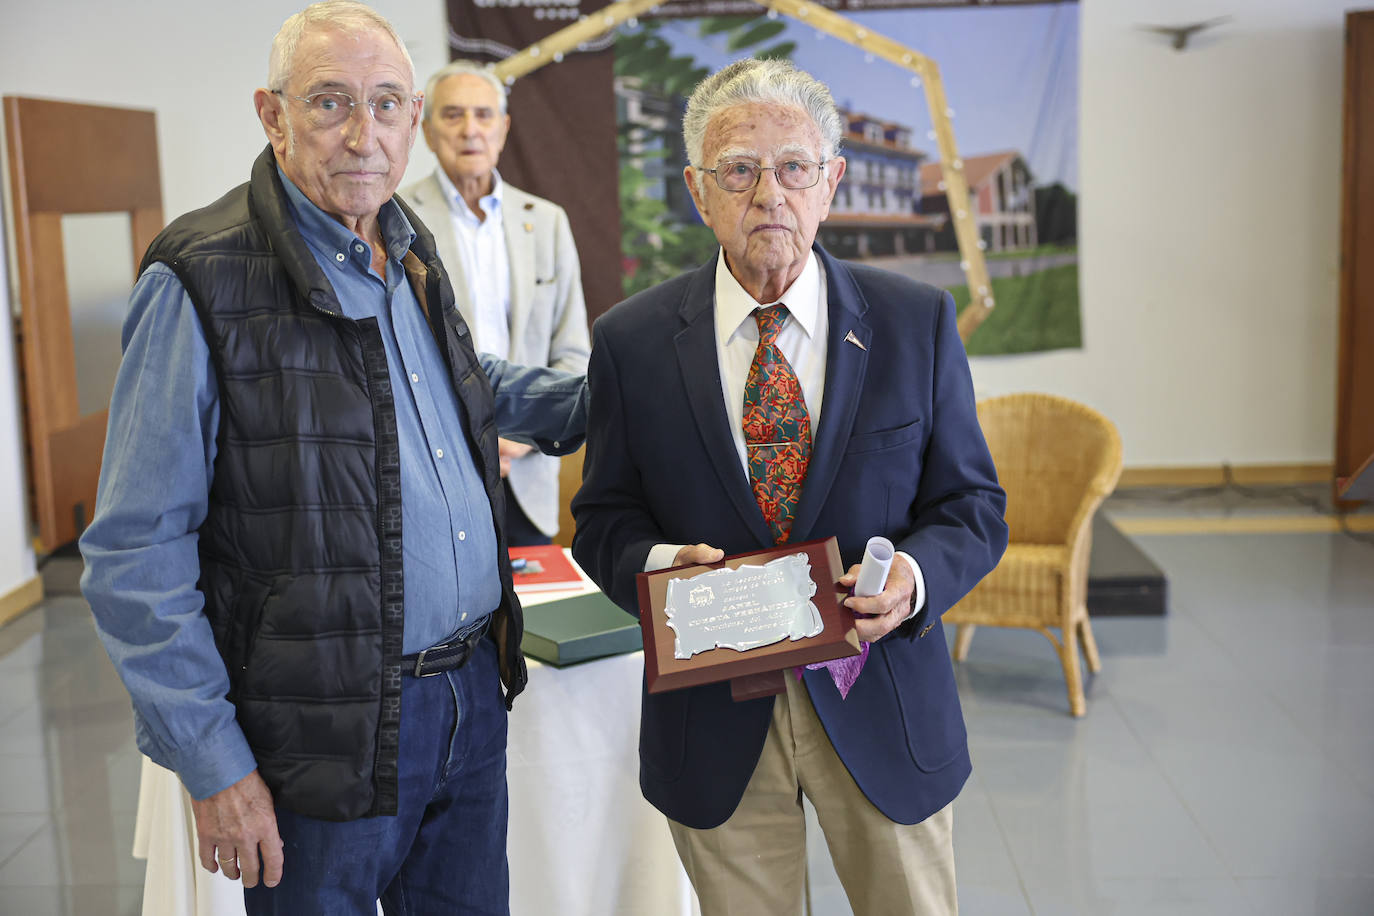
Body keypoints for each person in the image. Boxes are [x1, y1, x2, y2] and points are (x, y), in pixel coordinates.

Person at [78, 2, 586, 913]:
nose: (366, 134)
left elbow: (469, 382)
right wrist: (214, 764)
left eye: (388, 104)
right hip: (320, 730)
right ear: (272, 115)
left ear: (413, 116)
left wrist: (614, 398)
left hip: (468, 700)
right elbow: (133, 556)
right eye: (331, 103)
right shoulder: (201, 278)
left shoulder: (404, 243)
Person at [571, 58, 1007, 916]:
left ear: (831, 182)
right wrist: (662, 564)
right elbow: (602, 519)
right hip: (715, 720)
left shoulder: (915, 324)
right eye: (739, 169)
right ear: (700, 191)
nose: (768, 191)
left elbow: (972, 506)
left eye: (794, 167)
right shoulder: (632, 341)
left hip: (878, 699)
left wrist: (914, 582)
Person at [401, 60, 590, 546]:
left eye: (484, 115)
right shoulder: (396, 218)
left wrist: (519, 436)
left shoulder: (545, 221)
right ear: (426, 129)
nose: (470, 130)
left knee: (539, 619)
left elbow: (571, 350)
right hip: (439, 473)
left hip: (527, 478)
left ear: (503, 129)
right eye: (453, 115)